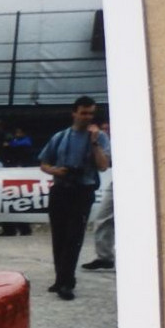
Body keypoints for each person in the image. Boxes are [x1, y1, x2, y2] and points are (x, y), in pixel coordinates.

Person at [39, 96, 110, 299]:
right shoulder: (60, 137)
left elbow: (103, 166)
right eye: (84, 112)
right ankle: (60, 278)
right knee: (59, 237)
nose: (87, 117)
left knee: (74, 237)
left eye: (91, 113)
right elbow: (43, 163)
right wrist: (56, 171)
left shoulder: (100, 138)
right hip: (61, 189)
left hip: (82, 191)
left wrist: (94, 143)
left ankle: (67, 282)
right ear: (74, 113)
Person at [83, 122, 115, 272]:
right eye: (104, 129)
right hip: (117, 181)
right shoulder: (101, 141)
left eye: (108, 129)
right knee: (103, 218)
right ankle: (105, 257)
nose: (105, 131)